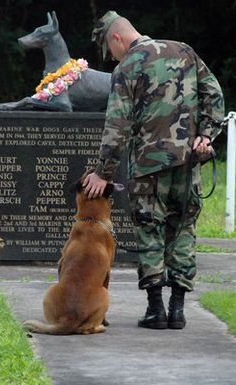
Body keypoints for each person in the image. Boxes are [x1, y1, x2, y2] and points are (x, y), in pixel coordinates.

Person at [83, 11, 224, 329]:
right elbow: (214, 95)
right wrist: (206, 135)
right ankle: (178, 310)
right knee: (183, 231)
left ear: (116, 38)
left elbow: (116, 125)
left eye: (110, 50)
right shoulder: (184, 50)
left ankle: (155, 310)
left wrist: (102, 172)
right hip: (188, 163)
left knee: (150, 231)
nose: (112, 57)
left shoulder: (126, 68)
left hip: (148, 168)